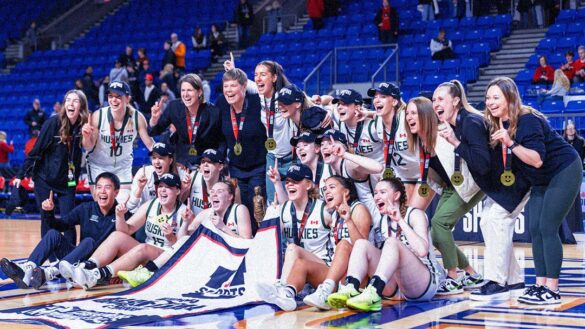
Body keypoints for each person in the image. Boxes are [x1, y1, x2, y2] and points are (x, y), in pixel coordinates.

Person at [485, 77, 581, 305]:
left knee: (548, 227)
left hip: (564, 169)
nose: (490, 102)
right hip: (540, 179)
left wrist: (510, 143)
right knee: (535, 229)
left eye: (496, 97)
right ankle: (540, 285)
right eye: (488, 98)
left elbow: (537, 160)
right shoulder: (500, 125)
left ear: (510, 98)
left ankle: (553, 290)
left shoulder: (527, 120)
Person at [327, 178, 441, 311]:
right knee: (361, 244)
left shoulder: (415, 214)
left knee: (392, 242)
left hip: (422, 284)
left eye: (382, 192)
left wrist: (400, 221)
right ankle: (351, 287)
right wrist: (348, 220)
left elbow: (422, 251)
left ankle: (374, 292)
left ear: (396, 195)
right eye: (375, 193)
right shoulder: (381, 222)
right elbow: (368, 253)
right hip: (393, 287)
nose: (377, 197)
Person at [0, 172, 124, 289]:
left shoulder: (122, 214)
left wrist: (118, 272)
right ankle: (28, 269)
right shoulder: (86, 208)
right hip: (76, 258)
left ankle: (53, 271)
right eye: (99, 187)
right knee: (53, 234)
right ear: (95, 190)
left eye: (107, 187)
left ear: (116, 192)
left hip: (97, 264)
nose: (102, 191)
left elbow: (127, 246)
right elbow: (60, 225)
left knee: (89, 241)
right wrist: (48, 212)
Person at [118, 179, 251, 287]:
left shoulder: (239, 209)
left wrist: (223, 228)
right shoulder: (206, 213)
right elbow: (182, 242)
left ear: (230, 197)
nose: (214, 194)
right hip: (214, 261)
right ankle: (148, 271)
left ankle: (149, 271)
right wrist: (186, 222)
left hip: (236, 260)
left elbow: (247, 243)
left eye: (220, 191)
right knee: (187, 240)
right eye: (212, 192)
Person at [67, 173, 186, 290]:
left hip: (164, 259)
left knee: (144, 247)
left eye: (168, 187)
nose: (163, 190)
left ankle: (97, 275)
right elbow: (126, 230)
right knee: (117, 236)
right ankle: (86, 267)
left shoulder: (184, 213)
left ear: (178, 191)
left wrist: (171, 237)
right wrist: (119, 216)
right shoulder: (151, 205)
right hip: (145, 257)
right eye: (160, 186)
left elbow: (181, 249)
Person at [428, 82, 488, 295]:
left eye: (440, 99)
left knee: (439, 223)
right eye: (434, 100)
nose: (436, 104)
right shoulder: (445, 123)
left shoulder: (471, 122)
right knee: (436, 235)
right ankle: (471, 274)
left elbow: (482, 163)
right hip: (453, 183)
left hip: (473, 182)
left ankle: (452, 277)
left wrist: (455, 142)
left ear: (455, 101)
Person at [16, 90, 90, 247]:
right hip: (45, 179)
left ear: (81, 106)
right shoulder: (52, 123)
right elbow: (36, 150)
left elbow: (79, 155)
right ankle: (49, 255)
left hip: (67, 181)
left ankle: (70, 256)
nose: (70, 103)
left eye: (75, 101)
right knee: (46, 217)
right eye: (67, 100)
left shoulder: (83, 126)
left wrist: (74, 180)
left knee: (69, 219)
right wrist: (20, 174)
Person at [255, 164, 333, 310]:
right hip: (299, 271)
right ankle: (285, 289)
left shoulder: (324, 210)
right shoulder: (284, 209)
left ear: (308, 184)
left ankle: (283, 289)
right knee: (286, 250)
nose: (290, 184)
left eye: (296, 181)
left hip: (324, 270)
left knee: (292, 248)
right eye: (288, 181)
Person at [83, 81, 155, 201]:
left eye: (118, 97)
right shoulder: (98, 116)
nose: (113, 100)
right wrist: (86, 136)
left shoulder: (137, 117)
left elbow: (150, 144)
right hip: (98, 165)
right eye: (111, 96)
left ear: (128, 99)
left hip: (122, 166)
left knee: (122, 205)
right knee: (102, 205)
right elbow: (89, 147)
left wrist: (165, 157)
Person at [217, 68, 267, 222]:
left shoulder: (257, 102)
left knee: (257, 207)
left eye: (233, 86)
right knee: (241, 210)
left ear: (244, 87)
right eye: (226, 86)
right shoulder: (221, 104)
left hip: (259, 167)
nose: (228, 91)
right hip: (236, 169)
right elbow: (220, 137)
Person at [149, 73, 224, 170]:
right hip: (181, 164)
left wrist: (214, 162)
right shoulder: (174, 107)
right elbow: (154, 131)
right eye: (183, 90)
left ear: (199, 92)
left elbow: (222, 142)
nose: (185, 94)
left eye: (189, 90)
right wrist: (154, 120)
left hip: (205, 165)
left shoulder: (214, 112)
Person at [318, 129, 383, 214]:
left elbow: (379, 168)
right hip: (351, 218)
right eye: (322, 144)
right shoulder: (328, 169)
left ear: (342, 147)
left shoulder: (349, 164)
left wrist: (345, 154)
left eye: (330, 143)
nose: (324, 147)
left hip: (372, 215)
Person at [127, 142, 177, 213]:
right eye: (154, 158)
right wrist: (140, 188)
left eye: (161, 158)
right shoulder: (144, 173)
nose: (156, 162)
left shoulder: (178, 175)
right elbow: (130, 206)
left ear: (170, 160)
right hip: (143, 217)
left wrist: (184, 190)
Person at [563, 121, 584, 234]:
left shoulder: (581, 142)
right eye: (568, 129)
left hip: (576, 173)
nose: (571, 130)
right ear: (565, 131)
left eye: (572, 128)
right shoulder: (562, 142)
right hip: (564, 174)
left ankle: (575, 226)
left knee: (575, 199)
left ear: (575, 130)